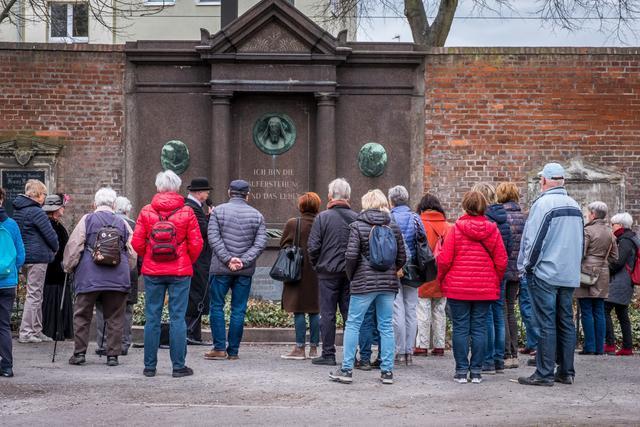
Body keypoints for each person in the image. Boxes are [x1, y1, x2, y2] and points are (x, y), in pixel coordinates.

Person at [329, 189, 406, 385]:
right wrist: (390, 271)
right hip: (388, 284)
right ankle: (387, 371)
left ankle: (346, 369)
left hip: (363, 283)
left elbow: (351, 255)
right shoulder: (393, 227)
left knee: (353, 324)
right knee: (386, 326)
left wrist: (352, 275)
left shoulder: (357, 226)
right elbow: (402, 257)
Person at [517, 162, 584, 386]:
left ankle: (544, 373)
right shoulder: (575, 205)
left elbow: (534, 241)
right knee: (565, 321)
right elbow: (580, 242)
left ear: (544, 180)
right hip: (568, 273)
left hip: (545, 272)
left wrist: (527, 267)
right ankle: (566, 371)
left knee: (546, 322)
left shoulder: (543, 204)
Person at [133, 171, 203, 377]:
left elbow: (137, 242)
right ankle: (178, 366)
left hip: (153, 272)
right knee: (177, 318)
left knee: (152, 318)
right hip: (180, 272)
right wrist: (185, 260)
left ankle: (149, 366)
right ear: (177, 188)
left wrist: (149, 256)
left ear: (158, 187)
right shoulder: (187, 212)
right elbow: (197, 243)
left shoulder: (146, 211)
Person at [437, 191, 507, 384]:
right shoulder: (493, 230)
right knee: (479, 328)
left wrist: (442, 279)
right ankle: (476, 371)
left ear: (465, 205)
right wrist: (493, 279)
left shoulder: (456, 229)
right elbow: (502, 261)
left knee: (460, 328)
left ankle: (461, 371)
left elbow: (444, 260)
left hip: (458, 287)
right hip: (484, 288)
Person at [63, 188, 136, 367]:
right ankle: (112, 356)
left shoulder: (86, 220)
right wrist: (126, 269)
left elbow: (75, 246)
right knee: (115, 317)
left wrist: (68, 267)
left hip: (89, 277)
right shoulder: (122, 223)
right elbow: (132, 252)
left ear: (94, 204)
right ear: (113, 204)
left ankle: (79, 354)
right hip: (117, 278)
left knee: (82, 315)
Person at [205, 180, 266, 361]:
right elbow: (260, 243)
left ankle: (219, 348)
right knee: (238, 310)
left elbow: (213, 238)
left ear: (229, 191)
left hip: (220, 269)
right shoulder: (257, 216)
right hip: (244, 271)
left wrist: (227, 259)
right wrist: (243, 261)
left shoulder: (218, 212)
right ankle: (233, 351)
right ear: (248, 195)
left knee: (216, 306)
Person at [307, 178, 357, 366]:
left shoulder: (322, 218)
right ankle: (350, 355)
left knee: (327, 313)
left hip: (327, 273)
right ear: (348, 196)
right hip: (350, 274)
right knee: (349, 314)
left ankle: (328, 353)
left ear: (330, 196)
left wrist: (318, 265)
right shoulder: (356, 217)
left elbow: (313, 247)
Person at [472, 183, 511, 375]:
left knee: (486, 315)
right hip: (501, 271)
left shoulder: (485, 220)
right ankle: (498, 359)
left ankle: (487, 359)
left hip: (487, 273)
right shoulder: (504, 218)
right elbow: (508, 248)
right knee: (498, 314)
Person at [14, 179, 59, 344]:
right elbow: (50, 235)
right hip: (38, 257)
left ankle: (36, 330)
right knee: (34, 295)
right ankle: (26, 332)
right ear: (37, 194)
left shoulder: (19, 210)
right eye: (44, 194)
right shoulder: (36, 211)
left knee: (35, 294)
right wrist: (55, 247)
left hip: (25, 257)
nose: (44, 198)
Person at [96, 196, 140, 356]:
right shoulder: (134, 225)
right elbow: (138, 251)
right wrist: (136, 271)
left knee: (103, 308)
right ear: (127, 209)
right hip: (128, 272)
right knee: (127, 309)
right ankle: (124, 343)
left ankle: (103, 343)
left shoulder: (104, 222)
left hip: (104, 270)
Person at [280, 192, 321, 360]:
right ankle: (314, 349)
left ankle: (299, 348)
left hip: (297, 272)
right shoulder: (321, 222)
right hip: (317, 272)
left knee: (299, 310)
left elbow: (284, 245)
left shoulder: (293, 223)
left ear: (301, 206)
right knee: (315, 311)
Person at [575, 201, 618, 355]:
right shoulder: (610, 232)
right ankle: (600, 348)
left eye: (588, 213)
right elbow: (615, 257)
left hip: (586, 272)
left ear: (593, 214)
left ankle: (590, 346)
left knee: (586, 309)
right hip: (603, 271)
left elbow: (581, 253)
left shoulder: (588, 231)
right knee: (599, 309)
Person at [388, 185, 425, 366]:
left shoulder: (389, 217)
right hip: (414, 268)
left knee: (397, 310)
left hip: (395, 267)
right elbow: (423, 242)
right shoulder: (415, 218)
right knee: (411, 309)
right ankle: (409, 351)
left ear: (392, 200)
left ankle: (399, 351)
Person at [414, 193, 452, 357]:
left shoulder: (419, 224)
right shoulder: (448, 227)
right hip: (443, 274)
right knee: (440, 311)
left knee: (423, 309)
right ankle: (439, 345)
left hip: (424, 273)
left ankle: (422, 345)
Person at [496, 182, 528, 369]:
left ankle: (506, 352)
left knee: (502, 310)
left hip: (502, 269)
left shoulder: (500, 217)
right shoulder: (524, 218)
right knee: (511, 310)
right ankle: (514, 353)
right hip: (517, 269)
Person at [184, 178, 213, 345]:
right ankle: (191, 334)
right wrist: (211, 218)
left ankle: (194, 334)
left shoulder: (196, 207)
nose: (208, 194)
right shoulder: (192, 207)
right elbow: (203, 230)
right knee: (195, 294)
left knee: (197, 294)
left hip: (198, 259)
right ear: (198, 193)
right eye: (206, 192)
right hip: (197, 260)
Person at [0, 188, 25, 377]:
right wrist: (11, 272)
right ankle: (7, 366)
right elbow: (21, 255)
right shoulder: (12, 225)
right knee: (3, 325)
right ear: (2, 200)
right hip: (7, 282)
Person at [41, 194, 73, 341]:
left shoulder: (56, 224)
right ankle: (53, 329)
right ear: (55, 209)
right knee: (53, 297)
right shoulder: (51, 225)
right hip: (54, 269)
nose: (64, 208)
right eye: (62, 206)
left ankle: (59, 329)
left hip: (58, 269)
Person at [605, 213, 637, 356]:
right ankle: (627, 347)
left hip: (620, 281)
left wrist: (606, 270)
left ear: (620, 225)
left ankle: (610, 344)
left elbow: (619, 261)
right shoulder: (631, 238)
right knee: (621, 312)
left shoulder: (625, 240)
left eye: (613, 224)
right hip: (625, 281)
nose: (612, 227)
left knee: (604, 309)